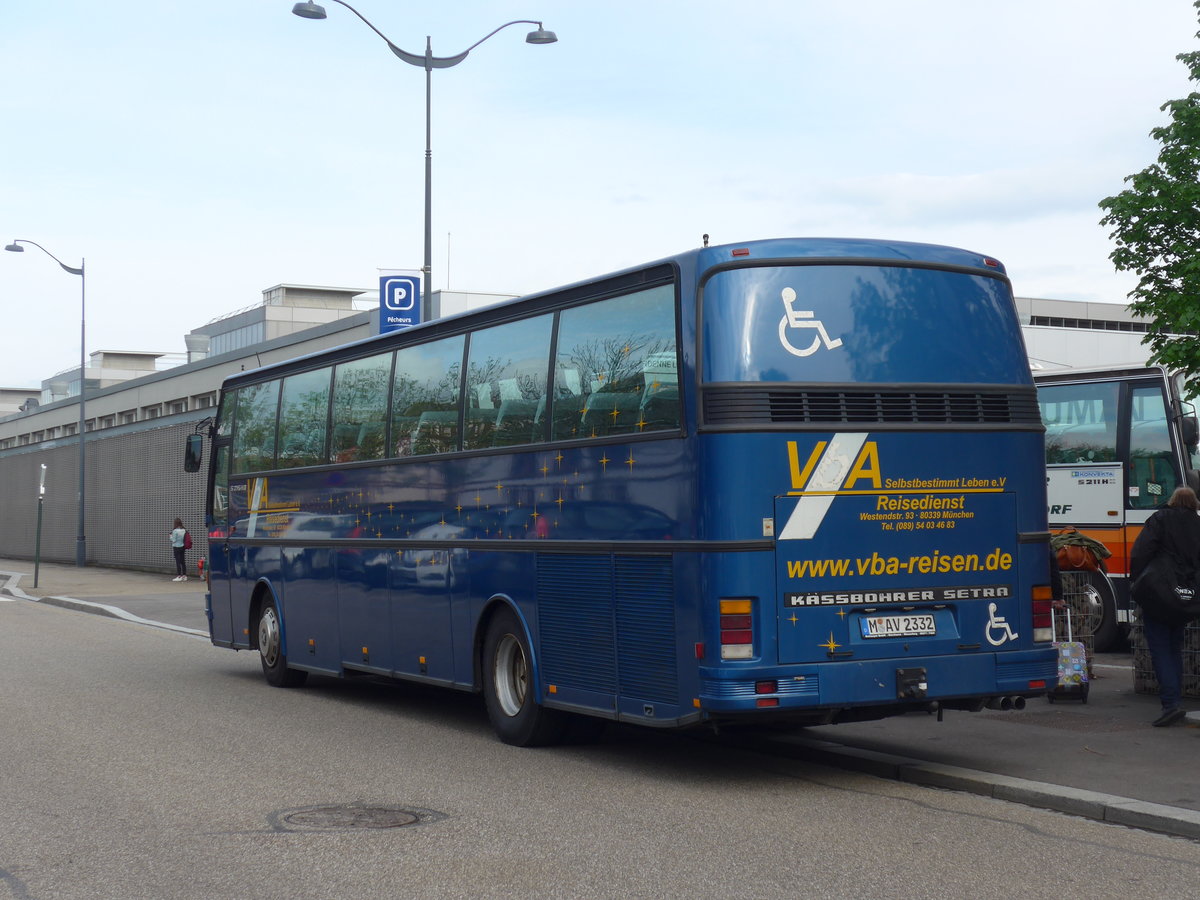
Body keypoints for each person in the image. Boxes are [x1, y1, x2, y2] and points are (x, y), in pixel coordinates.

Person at [1129, 485, 1200, 726]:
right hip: (1185, 598)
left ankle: (1170, 704)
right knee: (1175, 648)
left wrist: (1138, 582)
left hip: (1159, 594)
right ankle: (1175, 700)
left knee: (1160, 649)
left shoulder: (1159, 519)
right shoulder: (1197, 524)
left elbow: (1140, 552)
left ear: (1172, 500)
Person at [169, 518, 188, 582]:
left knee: (178, 561)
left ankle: (179, 576)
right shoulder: (184, 530)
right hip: (182, 547)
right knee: (183, 561)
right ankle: (184, 576)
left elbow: (173, 540)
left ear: (175, 523)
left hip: (176, 547)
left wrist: (170, 536)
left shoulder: (175, 531)